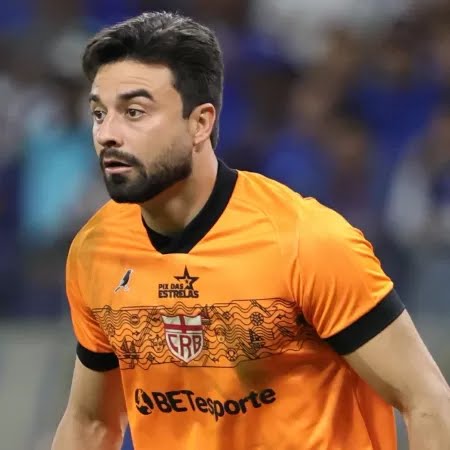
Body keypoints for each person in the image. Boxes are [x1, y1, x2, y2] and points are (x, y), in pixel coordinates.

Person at [52, 11, 450, 450]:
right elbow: (91, 423)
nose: (107, 134)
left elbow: (428, 401)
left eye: (134, 112)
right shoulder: (96, 250)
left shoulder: (306, 241)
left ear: (200, 123)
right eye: (99, 113)